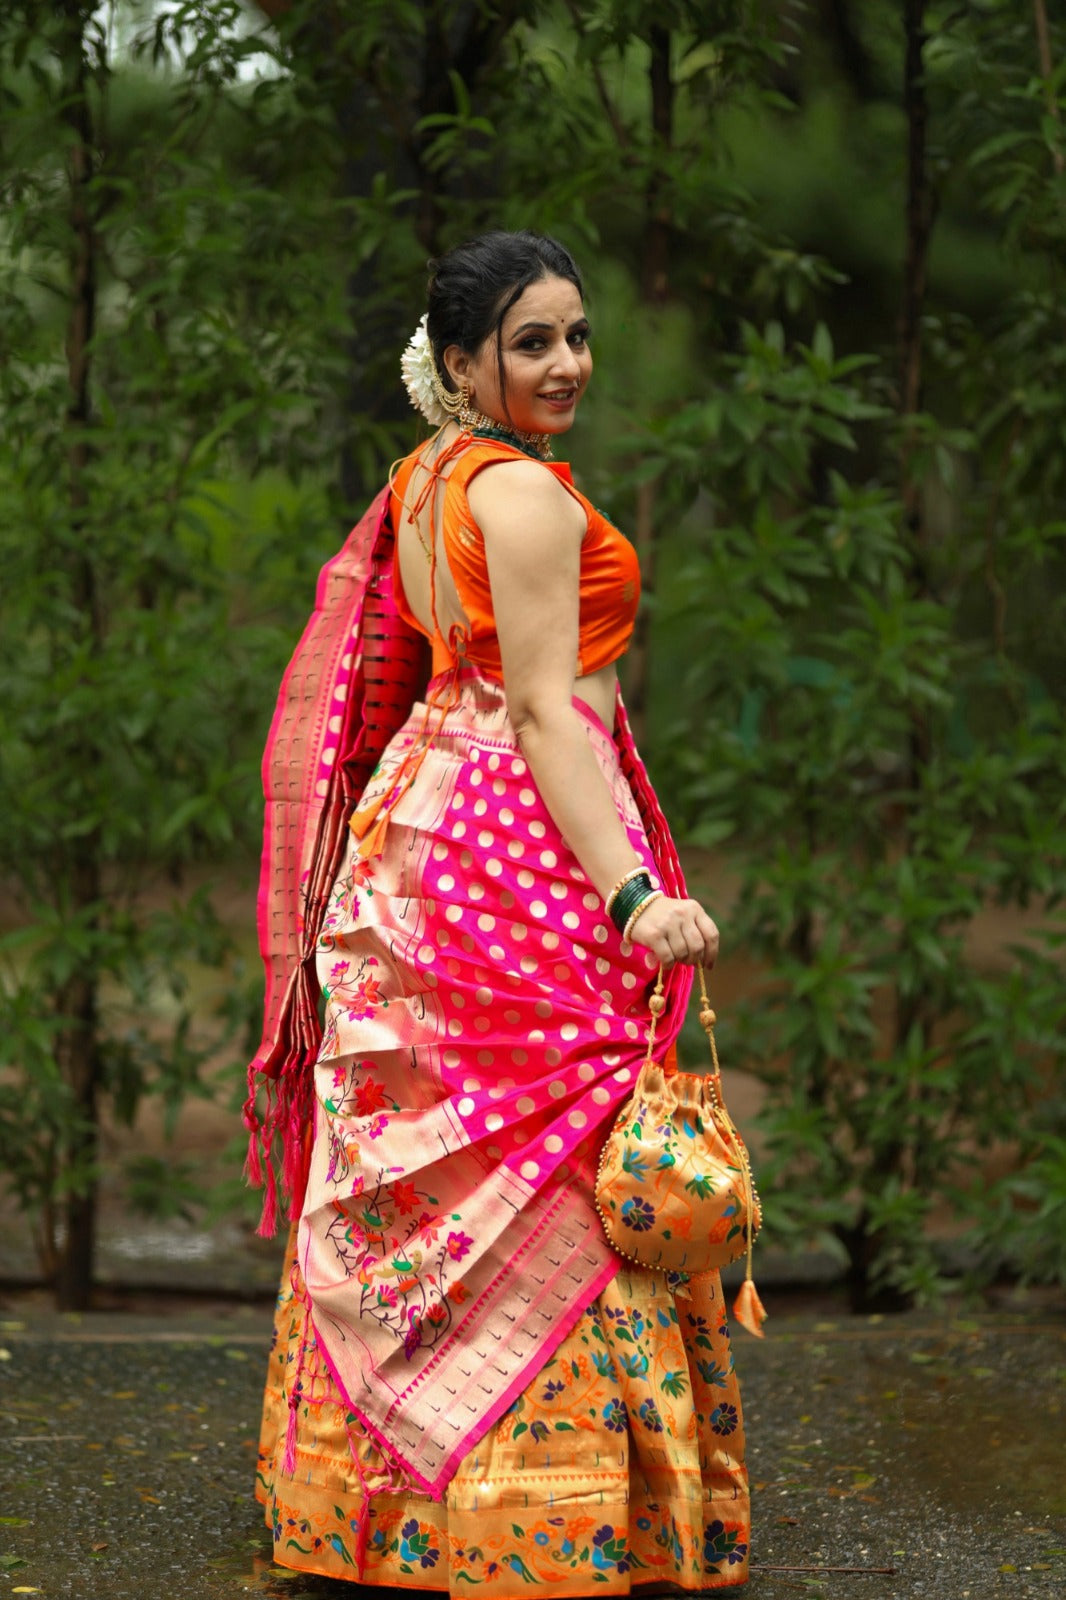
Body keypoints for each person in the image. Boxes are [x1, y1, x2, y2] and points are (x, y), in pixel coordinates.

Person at [248, 230, 751, 1593]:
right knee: (553, 1152)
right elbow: (539, 709)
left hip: (420, 826)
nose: (567, 362)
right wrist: (634, 891)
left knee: (442, 1150)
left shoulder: (422, 485)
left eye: (577, 334)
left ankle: (395, 1515)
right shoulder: (517, 496)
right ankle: (561, 1519)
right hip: (515, 837)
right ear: (460, 363)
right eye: (532, 341)